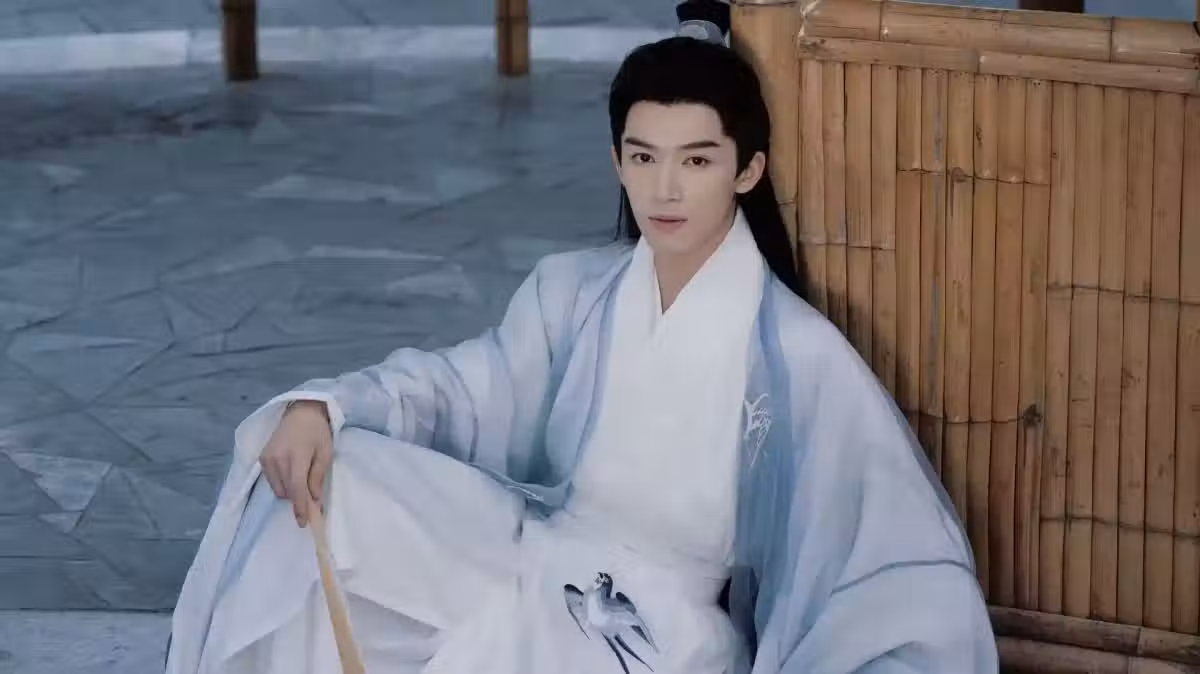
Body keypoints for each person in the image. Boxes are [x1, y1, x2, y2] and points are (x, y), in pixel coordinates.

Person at [166, 2, 999, 672]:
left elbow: (892, 559)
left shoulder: (798, 354)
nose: (665, 189)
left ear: (747, 170)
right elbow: (460, 390)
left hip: (660, 626)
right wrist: (327, 406)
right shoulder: (572, 292)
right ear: (617, 161)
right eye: (644, 157)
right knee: (331, 475)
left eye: (697, 161)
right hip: (532, 549)